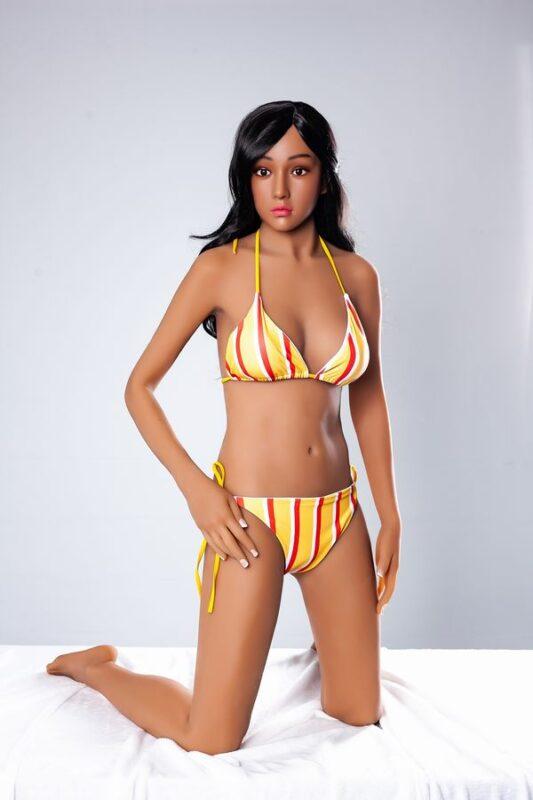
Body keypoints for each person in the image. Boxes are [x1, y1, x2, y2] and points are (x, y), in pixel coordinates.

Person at [46, 100, 401, 755]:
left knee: (358, 713)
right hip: (247, 518)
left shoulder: (356, 276)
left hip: (336, 518)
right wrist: (198, 491)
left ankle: (326, 648)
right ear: (246, 178)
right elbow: (138, 388)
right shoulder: (222, 268)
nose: (280, 188)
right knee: (208, 738)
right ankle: (96, 669)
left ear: (324, 178)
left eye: (298, 169)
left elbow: (369, 398)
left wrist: (390, 514)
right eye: (263, 171)